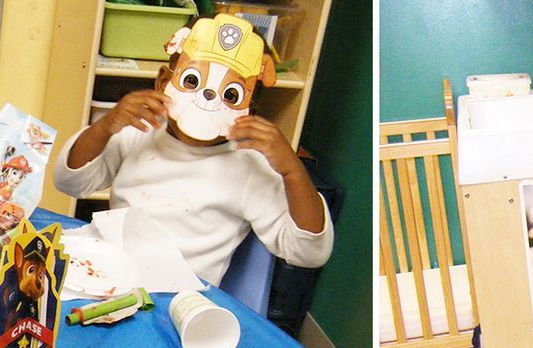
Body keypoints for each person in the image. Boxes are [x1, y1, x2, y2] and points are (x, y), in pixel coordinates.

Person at [54, 15, 331, 286]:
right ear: (164, 82)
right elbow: (70, 183)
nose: (207, 98)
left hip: (180, 296)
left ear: (250, 110)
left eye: (230, 95)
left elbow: (309, 253)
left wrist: (291, 169)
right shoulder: (141, 129)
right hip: (109, 273)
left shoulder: (250, 165)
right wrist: (106, 126)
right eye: (191, 81)